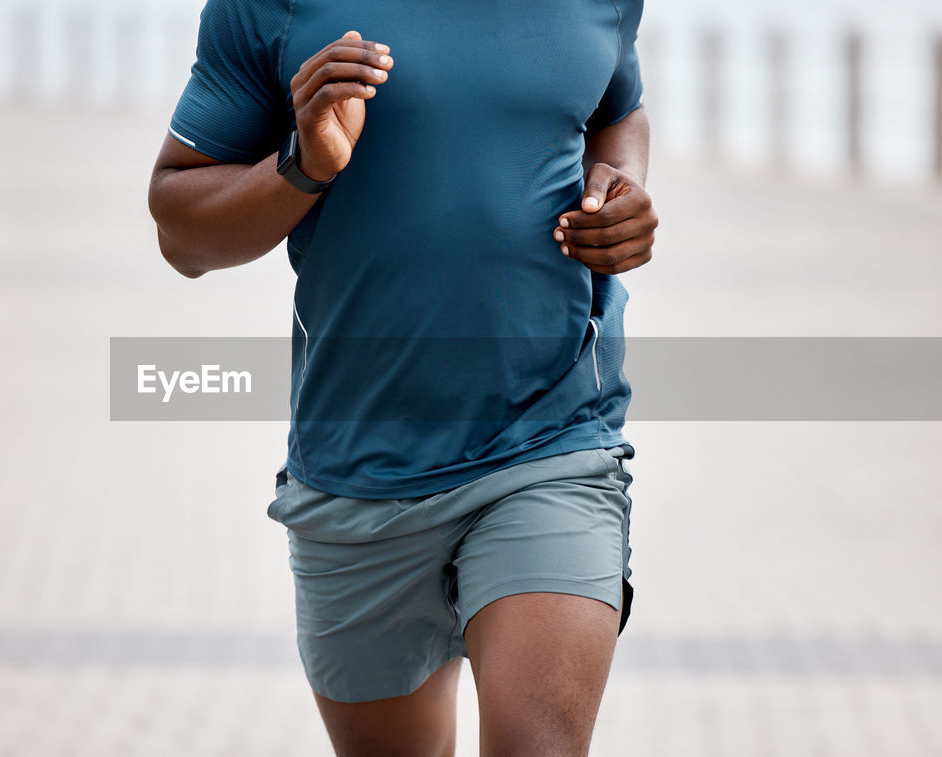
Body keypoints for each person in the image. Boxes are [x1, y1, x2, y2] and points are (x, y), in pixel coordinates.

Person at [148, 0, 658, 753]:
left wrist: (620, 185)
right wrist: (302, 166)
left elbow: (619, 108)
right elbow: (180, 229)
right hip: (358, 475)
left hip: (553, 441)